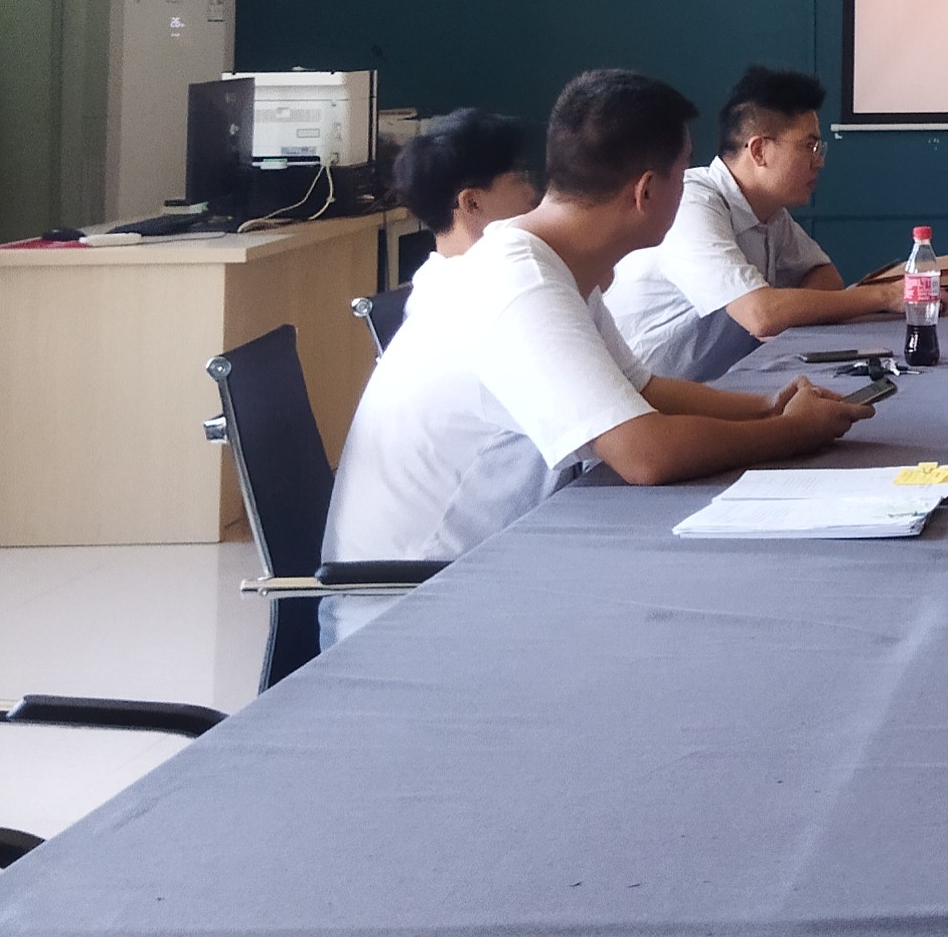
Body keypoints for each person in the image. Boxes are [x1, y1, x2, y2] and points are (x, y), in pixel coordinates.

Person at [320, 69, 873, 638]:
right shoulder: (519, 283)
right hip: (409, 614)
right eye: (683, 173)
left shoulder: (545, 263)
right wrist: (791, 433)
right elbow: (645, 455)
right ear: (647, 191)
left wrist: (766, 407)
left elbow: (645, 390)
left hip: (494, 574)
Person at [604, 64, 899, 381]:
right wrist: (886, 296)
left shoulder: (771, 213)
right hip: (638, 397)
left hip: (716, 387)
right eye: (809, 146)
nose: (819, 160)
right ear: (759, 150)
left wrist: (787, 315)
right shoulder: (691, 203)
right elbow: (761, 314)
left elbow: (824, 276)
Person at [389, 107, 532, 261]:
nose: (532, 193)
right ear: (472, 203)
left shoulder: (434, 273)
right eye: (521, 179)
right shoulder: (516, 272)